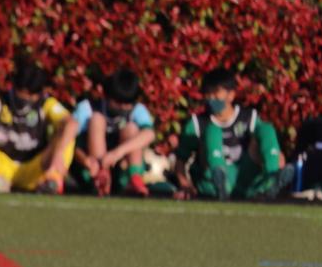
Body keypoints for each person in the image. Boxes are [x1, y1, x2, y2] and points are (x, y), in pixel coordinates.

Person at [174, 67, 294, 200]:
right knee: (212, 131)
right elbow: (180, 160)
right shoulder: (197, 123)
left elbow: (270, 146)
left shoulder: (249, 118)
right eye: (208, 94)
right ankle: (219, 179)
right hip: (210, 183)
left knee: (266, 130)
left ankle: (271, 179)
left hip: (244, 177)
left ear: (231, 95)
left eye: (216, 93)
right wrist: (185, 185)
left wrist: (275, 157)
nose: (211, 98)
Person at [0, 59, 77, 194]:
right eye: (21, 96)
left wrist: (58, 154)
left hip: (35, 168)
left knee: (66, 135)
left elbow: (71, 123)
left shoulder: (46, 103)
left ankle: (51, 179)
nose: (25, 101)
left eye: (30, 96)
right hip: (0, 167)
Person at [72, 69, 155, 197]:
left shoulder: (137, 110)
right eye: (119, 102)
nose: (123, 107)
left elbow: (149, 134)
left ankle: (135, 178)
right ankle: (101, 176)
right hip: (90, 169)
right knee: (96, 120)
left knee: (131, 129)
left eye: (128, 103)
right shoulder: (88, 107)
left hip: (121, 168)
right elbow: (70, 142)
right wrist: (85, 160)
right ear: (107, 96)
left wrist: (117, 153)